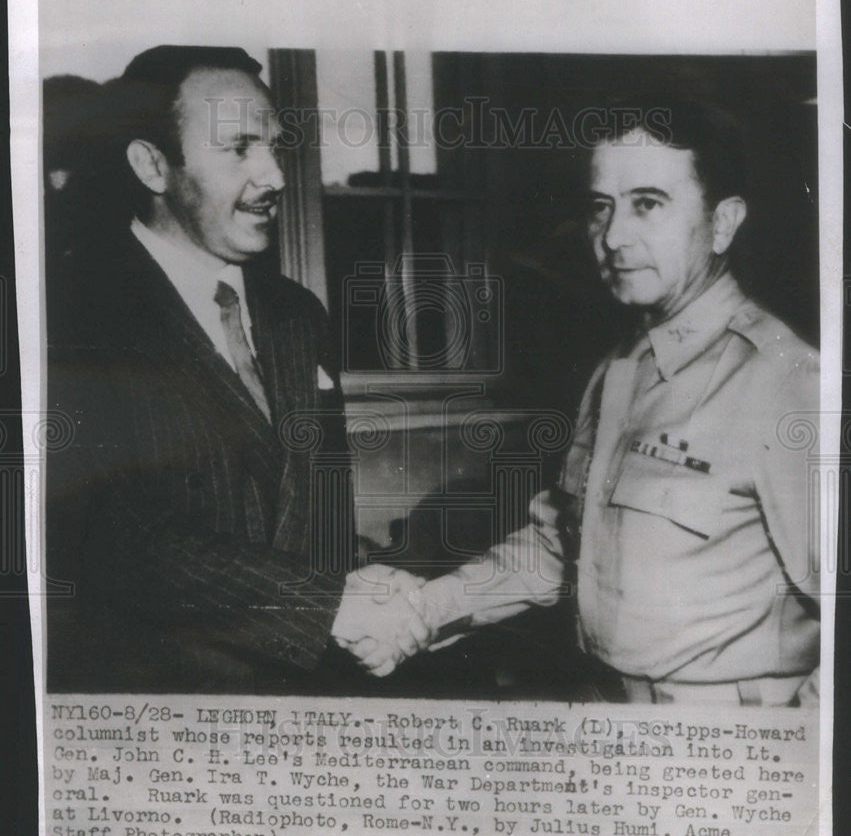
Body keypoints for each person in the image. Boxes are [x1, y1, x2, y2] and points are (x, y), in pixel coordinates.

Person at [357, 98, 821, 705]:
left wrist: (796, 752)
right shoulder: (620, 369)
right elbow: (563, 547)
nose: (614, 236)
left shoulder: (785, 383)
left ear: (723, 223)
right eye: (602, 207)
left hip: (721, 744)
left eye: (648, 205)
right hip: (606, 714)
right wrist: (425, 607)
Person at [46, 45, 426, 691]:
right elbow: (110, 539)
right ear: (152, 165)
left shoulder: (298, 315)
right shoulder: (69, 311)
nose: (274, 175)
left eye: (274, 146)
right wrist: (327, 606)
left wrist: (359, 601)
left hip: (310, 685)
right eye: (239, 147)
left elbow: (323, 511)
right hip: (162, 710)